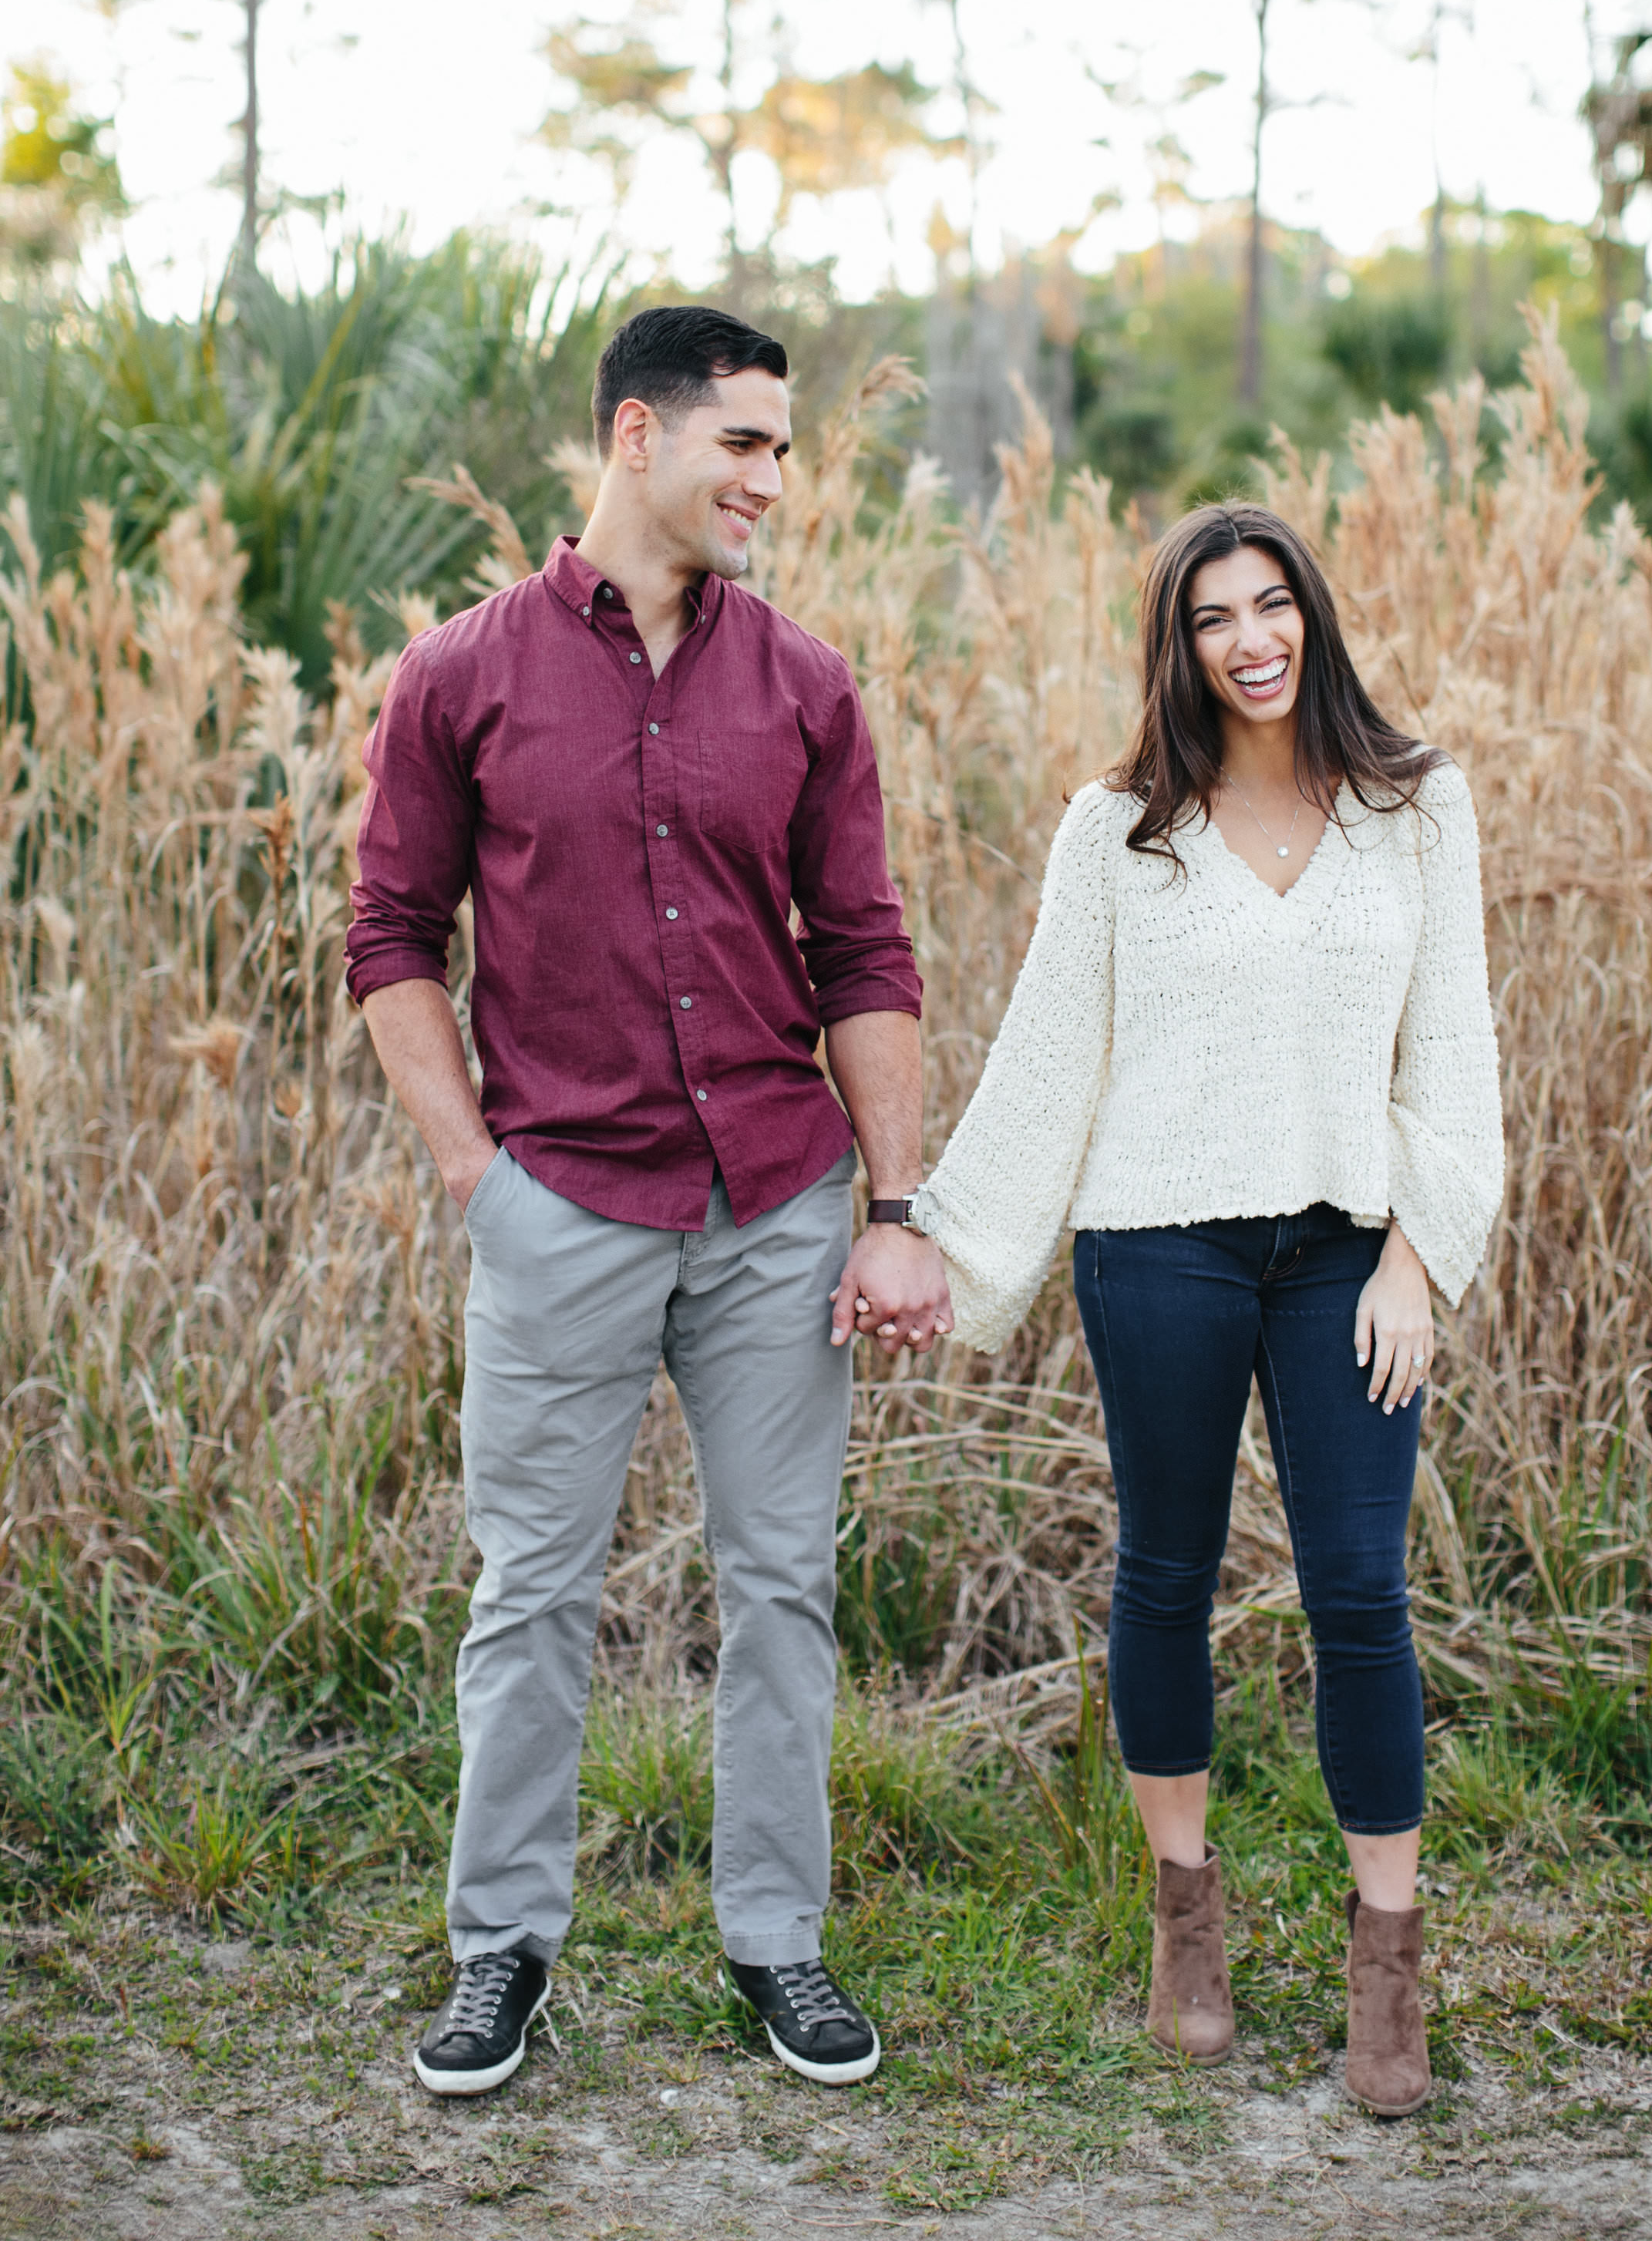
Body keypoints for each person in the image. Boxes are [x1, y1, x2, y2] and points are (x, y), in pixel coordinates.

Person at [345, 304, 953, 2099]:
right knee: (531, 1592)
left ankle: (778, 1946)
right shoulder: (460, 675)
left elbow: (863, 950)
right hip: (564, 1207)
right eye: (745, 443)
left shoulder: (809, 686)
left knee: (782, 1591)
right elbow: (393, 935)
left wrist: (894, 1203)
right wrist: (478, 1178)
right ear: (638, 435)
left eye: (784, 448)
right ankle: (502, 1955)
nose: (774, 476)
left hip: (778, 1202)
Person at [912, 500, 1502, 2115]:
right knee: (1164, 1573)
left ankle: (1390, 1962)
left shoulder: (1415, 808)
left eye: (1272, 606)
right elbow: (1045, 1066)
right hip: (1156, 1242)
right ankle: (1189, 1922)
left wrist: (1418, 1257)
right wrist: (930, 1241)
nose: (1250, 641)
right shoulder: (1116, 834)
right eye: (1211, 619)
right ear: (1174, 647)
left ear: (1313, 614)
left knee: (1360, 1592)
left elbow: (1454, 1052)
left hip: (1344, 1254)